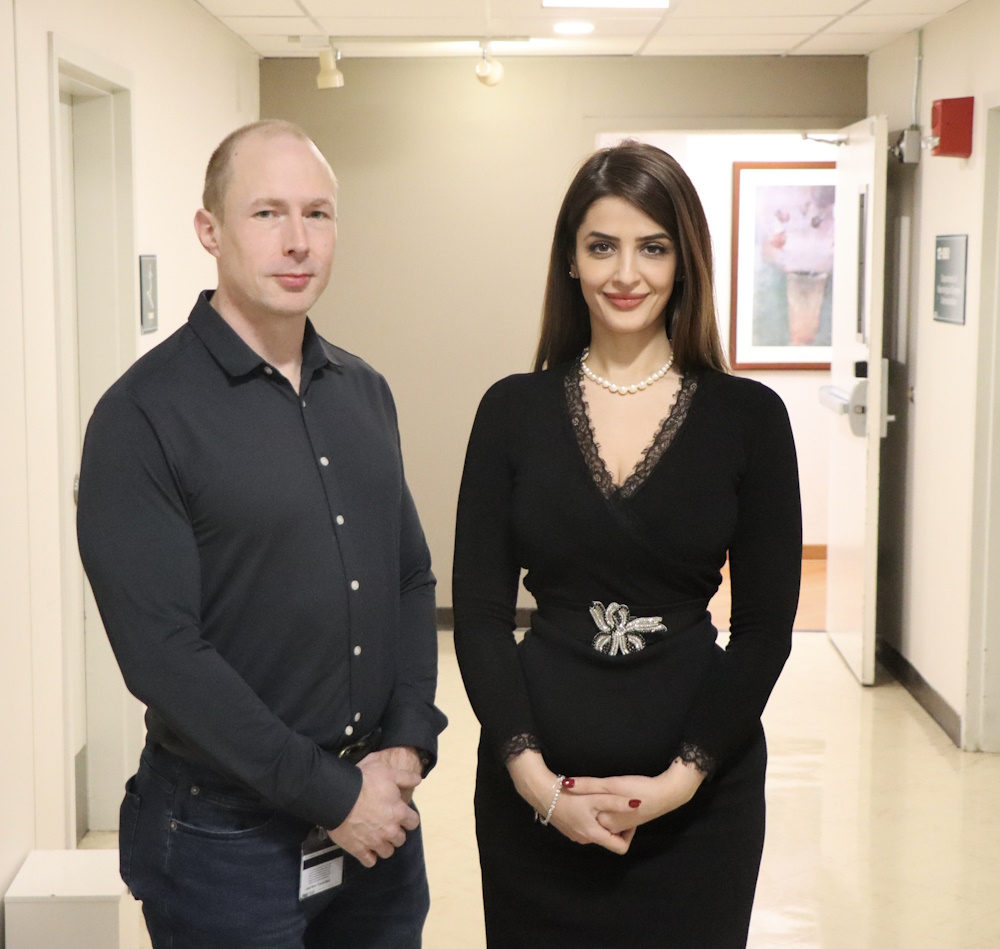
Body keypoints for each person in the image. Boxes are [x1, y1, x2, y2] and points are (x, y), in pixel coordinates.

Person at [77, 119, 447, 949]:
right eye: (267, 213)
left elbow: (409, 577)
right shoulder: (141, 416)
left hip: (378, 817)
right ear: (209, 230)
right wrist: (333, 794)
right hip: (226, 840)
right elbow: (164, 656)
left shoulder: (364, 391)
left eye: (317, 214)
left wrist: (406, 744)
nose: (297, 241)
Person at [452, 140, 801, 948]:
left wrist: (677, 783)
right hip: (533, 806)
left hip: (699, 812)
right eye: (602, 246)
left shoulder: (748, 418)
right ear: (571, 260)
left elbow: (763, 630)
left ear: (684, 262)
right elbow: (478, 615)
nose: (626, 273)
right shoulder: (510, 411)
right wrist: (534, 781)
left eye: (653, 247)